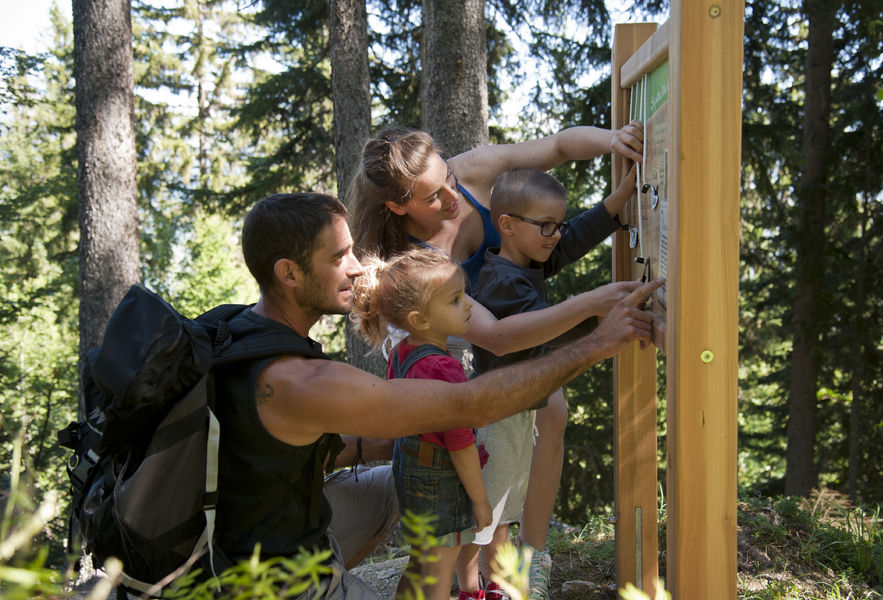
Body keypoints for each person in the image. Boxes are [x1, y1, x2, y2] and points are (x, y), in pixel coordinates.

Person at [213, 191, 661, 599]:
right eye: (339, 256)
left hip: (257, 532)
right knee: (435, 488)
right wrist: (598, 343)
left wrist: (387, 442)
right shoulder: (297, 380)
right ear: (288, 273)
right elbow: (472, 407)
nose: (355, 266)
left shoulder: (239, 329)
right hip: (275, 580)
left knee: (408, 478)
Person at [347, 124, 644, 596]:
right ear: (398, 206)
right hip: (455, 347)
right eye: (432, 196)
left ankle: (529, 557)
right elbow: (495, 339)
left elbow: (560, 146)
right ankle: (491, 573)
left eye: (448, 178)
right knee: (482, 457)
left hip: (513, 325)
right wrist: (593, 307)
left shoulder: (474, 172)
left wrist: (614, 141)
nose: (451, 196)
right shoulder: (409, 260)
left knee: (552, 414)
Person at [452, 167, 633, 599]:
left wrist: (619, 198)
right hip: (497, 414)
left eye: (558, 223)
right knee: (481, 516)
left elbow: (573, 239)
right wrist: (596, 317)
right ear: (508, 226)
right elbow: (538, 331)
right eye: (546, 225)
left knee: (503, 510)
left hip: (518, 411)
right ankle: (467, 588)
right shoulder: (504, 282)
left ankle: (494, 585)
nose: (555, 235)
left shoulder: (521, 258)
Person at [351, 247, 492, 600]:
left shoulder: (402, 353)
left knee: (425, 562)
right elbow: (459, 443)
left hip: (410, 469)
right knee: (440, 573)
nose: (470, 305)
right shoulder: (444, 369)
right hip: (440, 481)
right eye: (456, 300)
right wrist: (479, 500)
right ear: (420, 320)